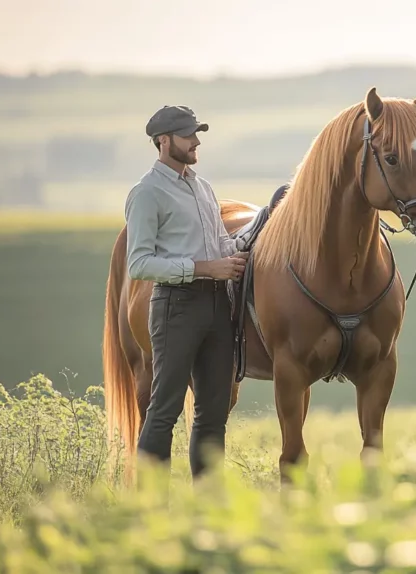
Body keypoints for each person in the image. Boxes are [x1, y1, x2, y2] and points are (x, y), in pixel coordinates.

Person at [124, 104, 248, 480]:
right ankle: (148, 509)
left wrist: (245, 247)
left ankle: (205, 511)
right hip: (175, 308)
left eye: (196, 134)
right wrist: (204, 268)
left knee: (214, 414)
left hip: (217, 308)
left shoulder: (203, 187)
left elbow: (218, 246)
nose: (196, 142)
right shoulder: (147, 193)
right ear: (163, 142)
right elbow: (140, 264)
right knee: (164, 410)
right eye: (187, 135)